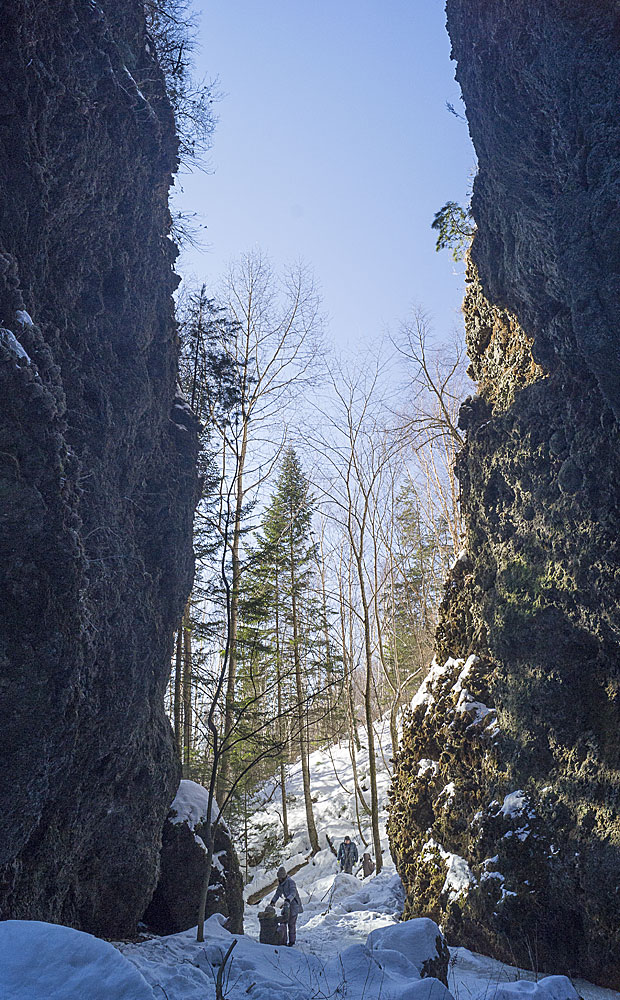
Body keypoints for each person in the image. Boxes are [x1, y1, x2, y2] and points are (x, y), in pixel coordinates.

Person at [270, 866, 303, 946]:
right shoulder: (281, 884)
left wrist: (288, 899)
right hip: (287, 905)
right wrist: (273, 901)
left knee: (291, 924)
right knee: (284, 921)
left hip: (294, 905)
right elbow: (277, 893)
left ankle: (292, 941)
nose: (279, 879)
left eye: (280, 877)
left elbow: (293, 893)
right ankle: (283, 940)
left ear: (283, 876)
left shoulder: (290, 882)